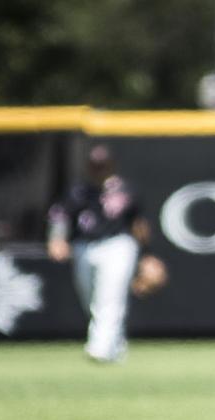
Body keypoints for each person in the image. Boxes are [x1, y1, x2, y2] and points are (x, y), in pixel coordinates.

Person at [48, 145, 150, 363]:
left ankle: (99, 348)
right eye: (95, 165)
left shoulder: (126, 190)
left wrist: (148, 256)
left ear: (112, 165)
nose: (99, 170)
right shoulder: (78, 191)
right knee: (91, 299)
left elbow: (139, 224)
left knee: (110, 295)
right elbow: (60, 216)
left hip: (118, 245)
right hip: (85, 246)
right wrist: (57, 238)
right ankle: (115, 343)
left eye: (102, 165)